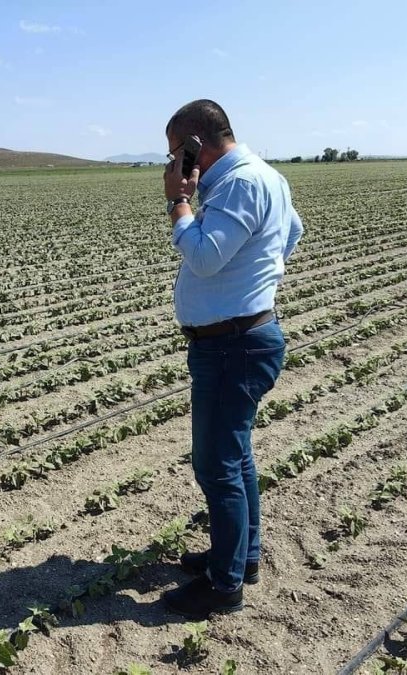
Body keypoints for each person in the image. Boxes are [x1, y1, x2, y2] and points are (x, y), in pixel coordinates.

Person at [158, 100, 304, 619]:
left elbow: (203, 257)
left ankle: (224, 586)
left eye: (175, 152)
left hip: (231, 346)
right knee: (235, 456)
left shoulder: (240, 183)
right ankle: (243, 558)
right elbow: (292, 232)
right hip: (240, 339)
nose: (172, 162)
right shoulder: (266, 176)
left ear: (195, 145)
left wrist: (179, 202)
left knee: (216, 464)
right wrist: (256, 276)